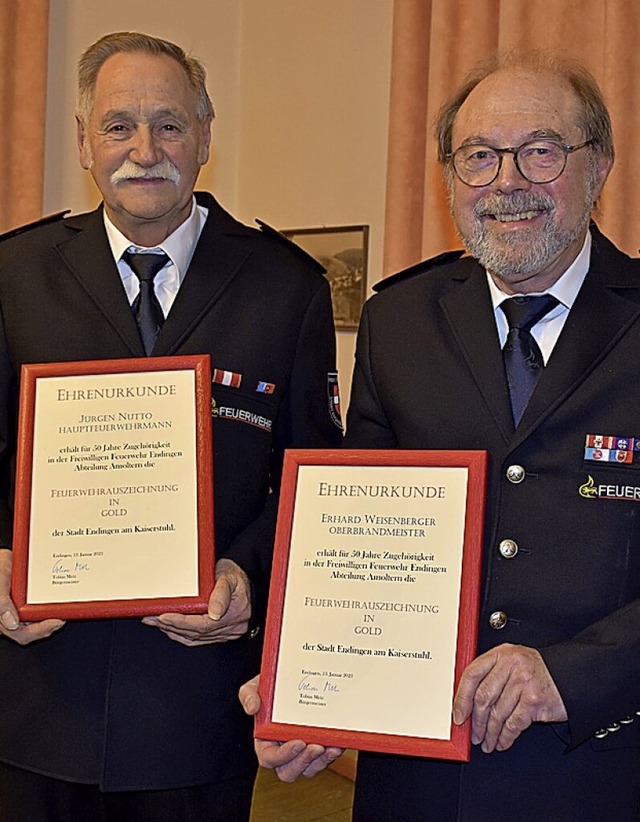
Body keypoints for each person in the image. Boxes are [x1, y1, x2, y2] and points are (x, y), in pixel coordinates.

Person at [240, 51, 640, 820]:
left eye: (541, 151)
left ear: (599, 165)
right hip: (418, 780)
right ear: (450, 177)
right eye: (480, 156)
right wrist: (312, 682)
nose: (507, 182)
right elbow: (357, 537)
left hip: (600, 771)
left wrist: (575, 674)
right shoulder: (400, 321)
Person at [0, 31, 341, 822]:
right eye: (118, 125)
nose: (144, 149)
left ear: (206, 135)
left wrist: (247, 576)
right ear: (84, 141)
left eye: (170, 124)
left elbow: (311, 480)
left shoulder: (285, 287)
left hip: (195, 704)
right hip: (39, 699)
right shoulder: (15, 277)